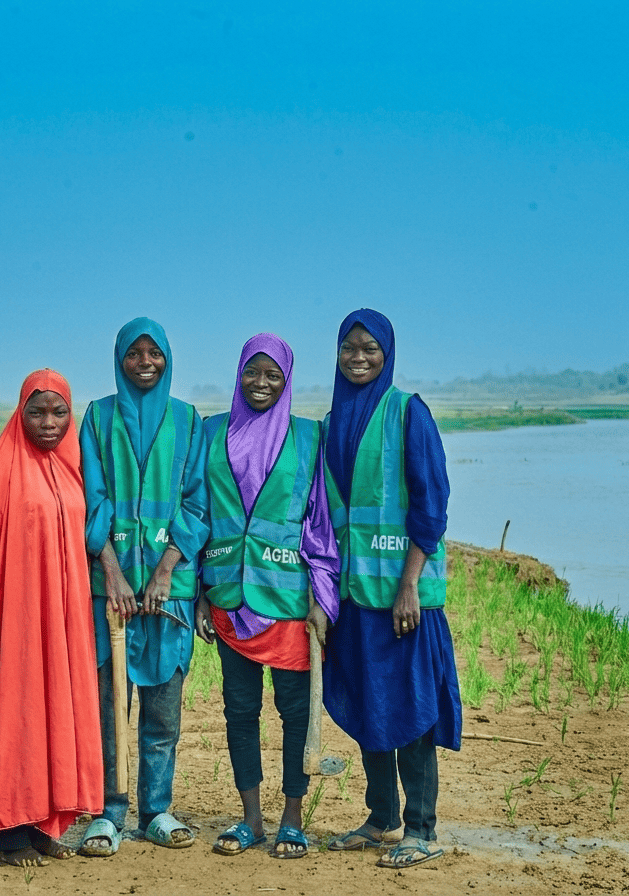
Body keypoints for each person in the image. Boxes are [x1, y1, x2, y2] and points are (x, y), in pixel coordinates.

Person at [320, 309, 462, 869]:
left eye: (369, 349)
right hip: (355, 597)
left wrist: (409, 586)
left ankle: (422, 828)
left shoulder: (409, 413)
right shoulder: (332, 423)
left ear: (388, 355)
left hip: (403, 600)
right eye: (348, 348)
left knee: (412, 708)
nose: (358, 358)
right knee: (368, 701)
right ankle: (381, 818)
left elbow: (432, 504)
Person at [194, 334, 340, 860]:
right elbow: (196, 517)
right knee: (239, 710)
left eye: (272, 375)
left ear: (287, 380)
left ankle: (293, 819)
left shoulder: (309, 437)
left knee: (296, 712)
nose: (261, 383)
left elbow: (321, 523)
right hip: (229, 598)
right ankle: (251, 818)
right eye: (251, 373)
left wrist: (324, 596)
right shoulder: (211, 432)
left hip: (288, 603)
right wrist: (196, 597)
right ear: (238, 375)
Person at [0, 369, 103, 867]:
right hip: (16, 624)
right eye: (36, 412)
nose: (48, 423)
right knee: (17, 720)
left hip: (61, 623)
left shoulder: (70, 468)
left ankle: (41, 824)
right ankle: (10, 836)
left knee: (55, 715)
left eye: (59, 412)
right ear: (19, 414)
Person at [77, 318, 209, 856]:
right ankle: (108, 811)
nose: (146, 362)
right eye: (135, 353)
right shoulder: (97, 417)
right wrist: (110, 568)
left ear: (169, 358)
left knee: (163, 709)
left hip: (167, 593)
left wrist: (163, 571)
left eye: (155, 353)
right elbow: (92, 497)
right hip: (109, 591)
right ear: (119, 359)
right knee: (111, 705)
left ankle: (156, 809)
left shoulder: (187, 421)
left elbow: (197, 504)